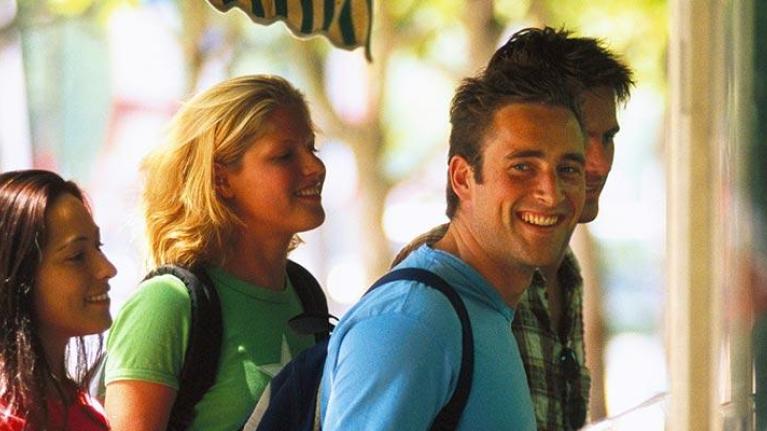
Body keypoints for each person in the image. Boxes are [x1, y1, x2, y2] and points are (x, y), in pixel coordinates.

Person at [320, 58, 587, 429]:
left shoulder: (484, 308)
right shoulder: (412, 322)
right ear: (462, 178)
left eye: (568, 170)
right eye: (522, 167)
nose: (551, 192)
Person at [391, 27, 635, 430]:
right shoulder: (426, 298)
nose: (599, 163)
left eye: (606, 139)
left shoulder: (563, 267)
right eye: (579, 139)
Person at [103, 75, 327, 431]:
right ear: (221, 180)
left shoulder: (305, 293)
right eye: (285, 155)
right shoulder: (167, 305)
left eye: (312, 147)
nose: (315, 167)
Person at [0, 169, 116, 430]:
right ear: (17, 276)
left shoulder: (85, 409)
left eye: (98, 247)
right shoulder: (10, 419)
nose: (107, 269)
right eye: (77, 256)